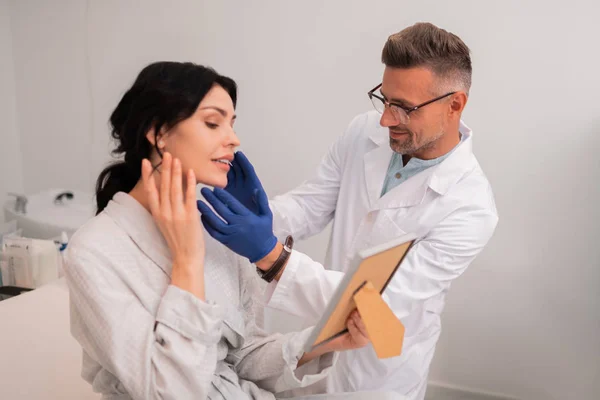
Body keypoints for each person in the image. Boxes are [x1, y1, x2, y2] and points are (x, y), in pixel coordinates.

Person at [197, 22, 499, 400]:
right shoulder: (364, 132)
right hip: (315, 345)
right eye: (384, 99)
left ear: (454, 104)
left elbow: (378, 302)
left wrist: (271, 256)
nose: (387, 118)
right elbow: (312, 204)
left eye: (404, 107)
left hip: (379, 374)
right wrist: (259, 216)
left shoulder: (470, 208)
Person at [63, 61, 371, 400]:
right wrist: (187, 262)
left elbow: (243, 355)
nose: (234, 139)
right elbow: (172, 392)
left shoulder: (216, 229)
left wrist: (321, 341)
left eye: (232, 123)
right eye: (213, 123)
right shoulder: (93, 252)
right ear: (158, 133)